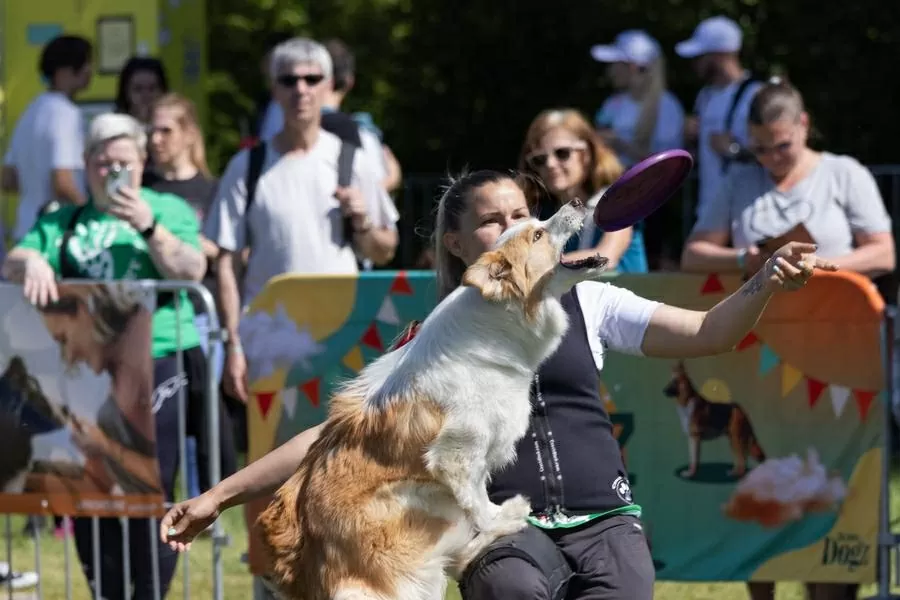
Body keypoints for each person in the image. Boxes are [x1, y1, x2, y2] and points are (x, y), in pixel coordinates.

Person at [161, 169, 834, 600]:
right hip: (500, 533)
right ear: (457, 245)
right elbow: (335, 437)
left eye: (521, 211)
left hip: (605, 518)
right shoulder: (429, 342)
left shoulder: (590, 302)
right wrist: (217, 496)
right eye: (490, 218)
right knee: (513, 591)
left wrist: (764, 280)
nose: (512, 223)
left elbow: (711, 332)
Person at [680, 77, 893, 600]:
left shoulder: (843, 173)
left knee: (832, 494)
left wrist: (822, 267)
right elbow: (693, 254)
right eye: (760, 148)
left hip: (839, 363)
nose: (772, 158)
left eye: (782, 146)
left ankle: (832, 588)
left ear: (803, 126)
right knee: (767, 488)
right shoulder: (739, 179)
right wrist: (746, 260)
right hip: (764, 362)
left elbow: (884, 253)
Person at [2, 112, 207, 600]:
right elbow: (14, 258)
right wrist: (30, 262)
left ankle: (149, 594)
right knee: (88, 489)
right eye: (102, 162)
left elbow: (193, 268)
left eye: (124, 162)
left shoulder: (166, 208)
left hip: (158, 360)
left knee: (152, 488)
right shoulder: (64, 219)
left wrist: (149, 226)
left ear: (142, 163)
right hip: (85, 373)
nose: (113, 172)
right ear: (87, 165)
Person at [144, 92, 238, 496]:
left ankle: (209, 497)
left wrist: (190, 245)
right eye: (150, 130)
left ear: (188, 134)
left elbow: (226, 246)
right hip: (155, 318)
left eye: (165, 130)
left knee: (203, 409)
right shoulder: (141, 188)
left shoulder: (209, 188)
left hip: (199, 312)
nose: (155, 139)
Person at [519, 109, 648, 273]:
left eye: (562, 153)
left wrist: (540, 266)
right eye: (540, 159)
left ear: (585, 154)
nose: (550, 164)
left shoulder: (619, 200)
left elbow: (607, 257)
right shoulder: (539, 214)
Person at [2, 35, 93, 243]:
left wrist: (34, 186)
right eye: (85, 63)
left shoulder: (31, 110)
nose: (90, 71)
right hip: (55, 234)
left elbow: (8, 179)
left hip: (25, 231)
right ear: (64, 71)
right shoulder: (66, 114)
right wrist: (91, 215)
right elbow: (62, 181)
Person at [675, 16, 763, 217]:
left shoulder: (755, 94)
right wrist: (690, 140)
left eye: (700, 57)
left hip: (747, 211)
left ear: (721, 55)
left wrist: (734, 150)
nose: (695, 64)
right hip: (709, 209)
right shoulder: (705, 96)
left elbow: (775, 153)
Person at [591, 29, 685, 167]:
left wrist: (621, 146)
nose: (610, 71)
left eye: (615, 64)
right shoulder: (612, 103)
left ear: (633, 67)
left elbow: (669, 164)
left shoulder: (667, 106)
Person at [115, 57, 169, 126]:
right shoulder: (114, 128)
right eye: (138, 89)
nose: (146, 95)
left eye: (152, 89)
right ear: (126, 92)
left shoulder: (175, 128)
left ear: (163, 91)